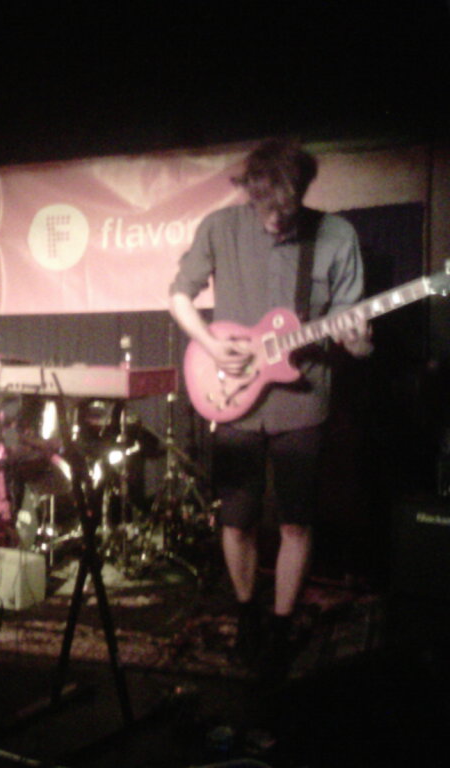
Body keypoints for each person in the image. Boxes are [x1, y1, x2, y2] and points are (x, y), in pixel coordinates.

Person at [168, 139, 373, 682]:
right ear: (252, 192)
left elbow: (354, 334)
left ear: (302, 192)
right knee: (236, 521)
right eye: (265, 207)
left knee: (295, 522)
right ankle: (246, 615)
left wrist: (358, 341)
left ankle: (281, 625)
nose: (276, 219)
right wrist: (210, 345)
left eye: (286, 208)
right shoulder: (220, 227)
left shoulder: (336, 236)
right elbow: (180, 296)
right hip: (233, 395)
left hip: (302, 403)